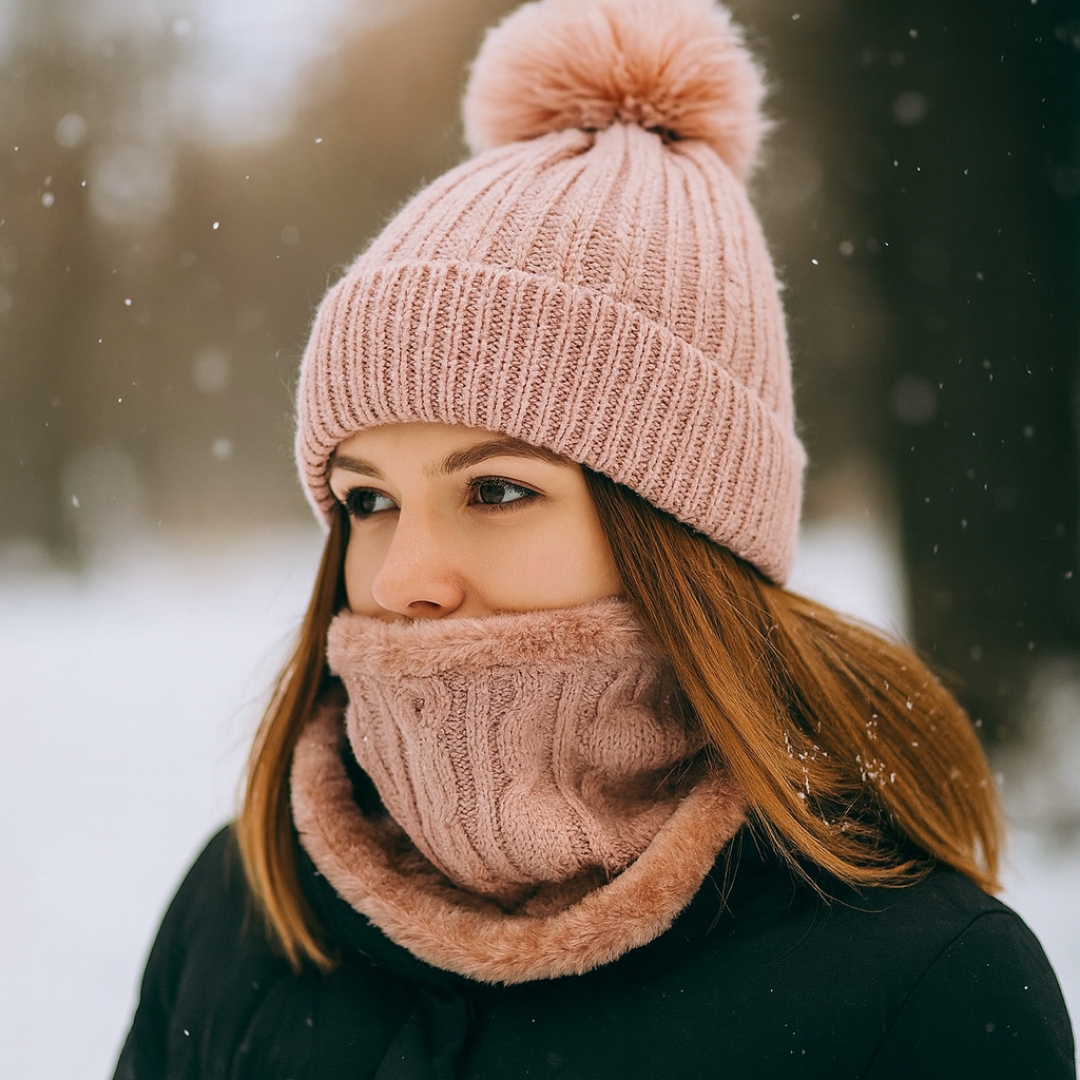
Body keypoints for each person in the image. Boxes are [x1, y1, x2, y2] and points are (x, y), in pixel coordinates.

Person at [113, 0, 1076, 1076]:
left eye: (495, 490)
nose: (405, 579)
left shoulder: (921, 985)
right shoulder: (247, 912)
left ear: (682, 529)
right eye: (368, 502)